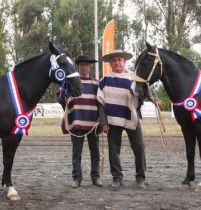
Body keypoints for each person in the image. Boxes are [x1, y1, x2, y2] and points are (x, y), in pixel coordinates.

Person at [97, 49, 152, 189]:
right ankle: (117, 178)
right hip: (112, 120)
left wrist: (151, 97)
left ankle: (141, 178)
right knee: (114, 149)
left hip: (131, 117)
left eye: (119, 60)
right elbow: (100, 103)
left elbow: (146, 90)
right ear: (110, 63)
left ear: (124, 61)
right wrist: (103, 122)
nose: (117, 62)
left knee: (139, 147)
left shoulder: (134, 78)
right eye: (113, 60)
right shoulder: (104, 81)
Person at [58, 54, 103, 188]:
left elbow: (100, 103)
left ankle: (96, 177)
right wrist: (60, 94)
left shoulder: (96, 82)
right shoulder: (69, 82)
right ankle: (76, 178)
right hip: (76, 121)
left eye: (87, 65)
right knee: (76, 152)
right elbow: (62, 101)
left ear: (90, 67)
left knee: (95, 152)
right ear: (77, 66)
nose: (84, 67)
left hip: (93, 123)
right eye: (82, 64)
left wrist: (101, 120)